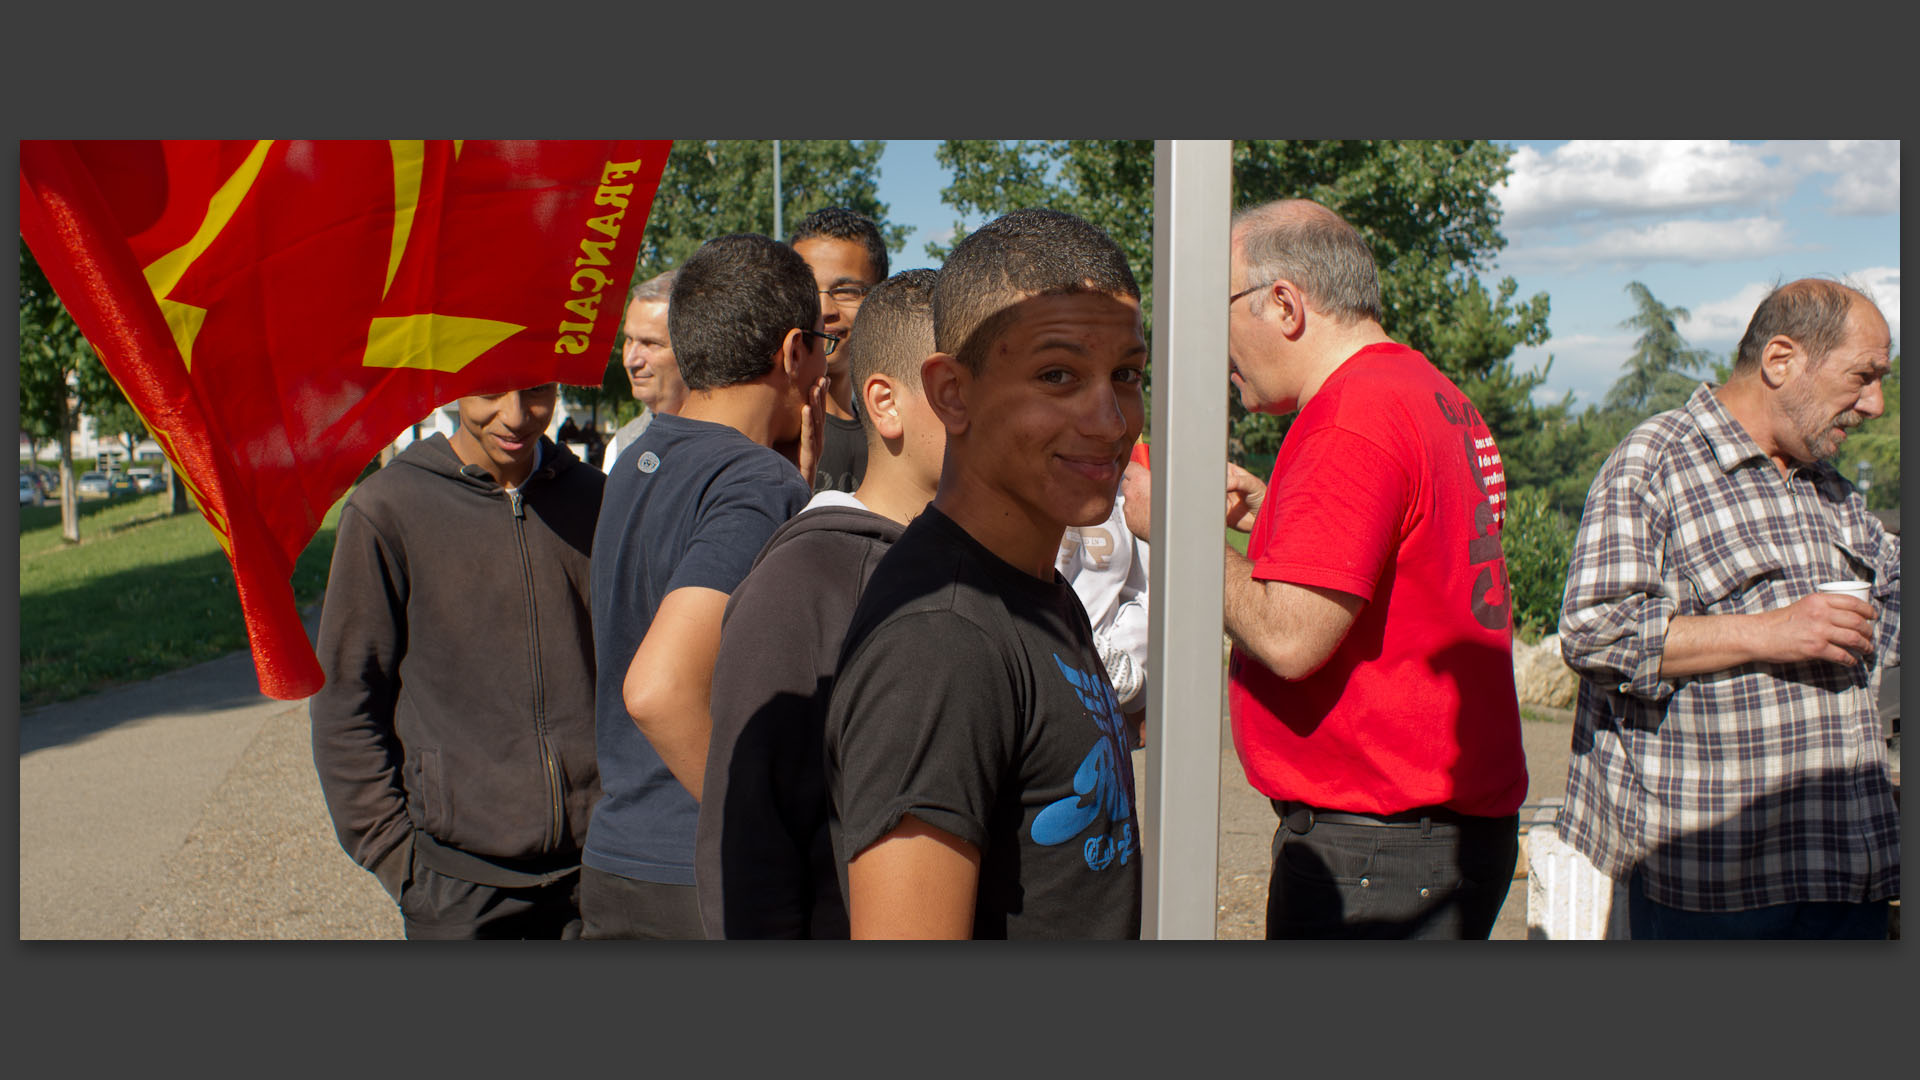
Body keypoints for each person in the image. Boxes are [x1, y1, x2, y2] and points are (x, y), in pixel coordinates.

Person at [1160, 197, 1529, 939]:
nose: (1216, 348)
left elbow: (1292, 638)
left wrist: (1172, 526)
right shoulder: (1425, 390)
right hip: (1438, 829)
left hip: (1379, 844)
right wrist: (1280, 514)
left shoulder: (1351, 419)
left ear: (1284, 304)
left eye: (1218, 311)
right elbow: (1413, 555)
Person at [824, 208, 1146, 939]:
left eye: (1126, 375)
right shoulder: (940, 642)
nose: (1109, 419)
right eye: (1057, 375)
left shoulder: (1036, 588)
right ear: (953, 393)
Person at [1558, 277, 1899, 939]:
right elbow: (1594, 633)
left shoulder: (1830, 487)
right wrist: (1772, 631)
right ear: (1781, 361)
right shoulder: (1656, 463)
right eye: (1863, 376)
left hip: (1848, 872)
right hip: (1718, 889)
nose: (1877, 404)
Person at [581, 233, 827, 939]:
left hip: (619, 859)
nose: (821, 371)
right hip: (699, 870)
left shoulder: (642, 456)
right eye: (821, 347)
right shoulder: (755, 481)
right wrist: (768, 834)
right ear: (791, 351)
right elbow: (658, 690)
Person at [696, 268, 943, 939]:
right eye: (954, 387)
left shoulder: (1001, 568)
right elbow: (749, 854)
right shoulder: (800, 585)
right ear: (884, 402)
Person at [310, 383, 604, 939]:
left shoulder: (598, 499)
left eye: (537, 390)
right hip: (455, 887)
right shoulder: (386, 508)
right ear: (454, 383)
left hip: (595, 876)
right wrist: (397, 857)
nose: (515, 415)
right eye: (491, 388)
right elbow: (346, 698)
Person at [1057, 440, 1152, 749]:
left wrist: (1133, 684)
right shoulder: (1014, 473)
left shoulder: (1129, 476)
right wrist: (1130, 689)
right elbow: (1031, 604)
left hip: (1113, 717)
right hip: (1048, 702)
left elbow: (1145, 591)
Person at [790, 206, 888, 494]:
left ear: (880, 298)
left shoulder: (894, 431)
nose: (823, 310)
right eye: (808, 290)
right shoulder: (771, 433)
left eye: (845, 291)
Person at [602, 270, 687, 472]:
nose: (630, 360)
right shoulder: (622, 446)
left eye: (650, 343)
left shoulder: (738, 440)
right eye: (628, 340)